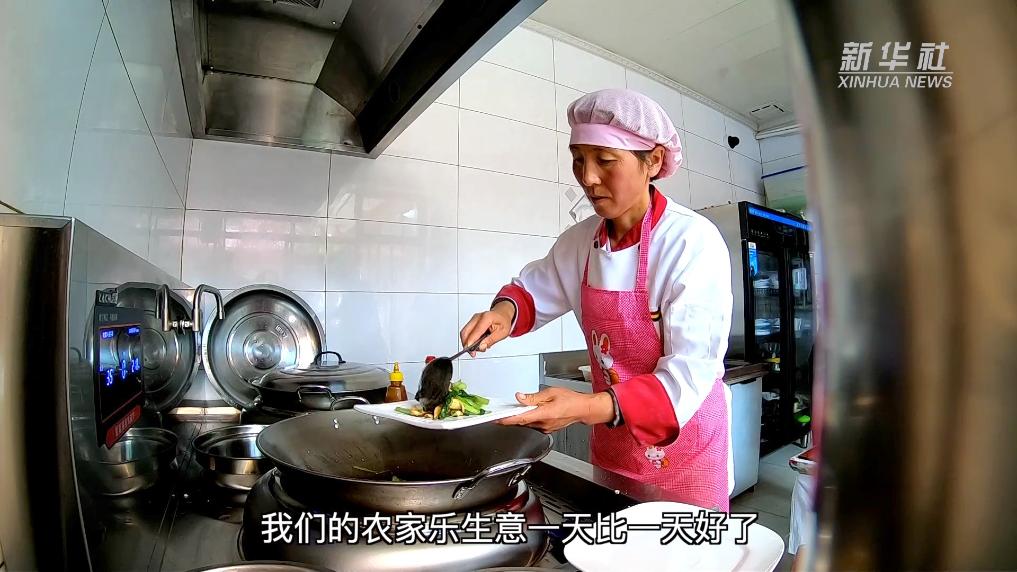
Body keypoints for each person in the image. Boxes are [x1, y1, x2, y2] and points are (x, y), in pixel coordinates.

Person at [459, 89, 734, 511]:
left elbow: (690, 371)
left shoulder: (690, 241)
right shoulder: (580, 241)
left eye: (605, 160)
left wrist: (584, 407)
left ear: (653, 161)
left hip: (685, 458)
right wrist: (502, 313)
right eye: (578, 159)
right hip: (613, 453)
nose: (587, 177)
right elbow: (534, 290)